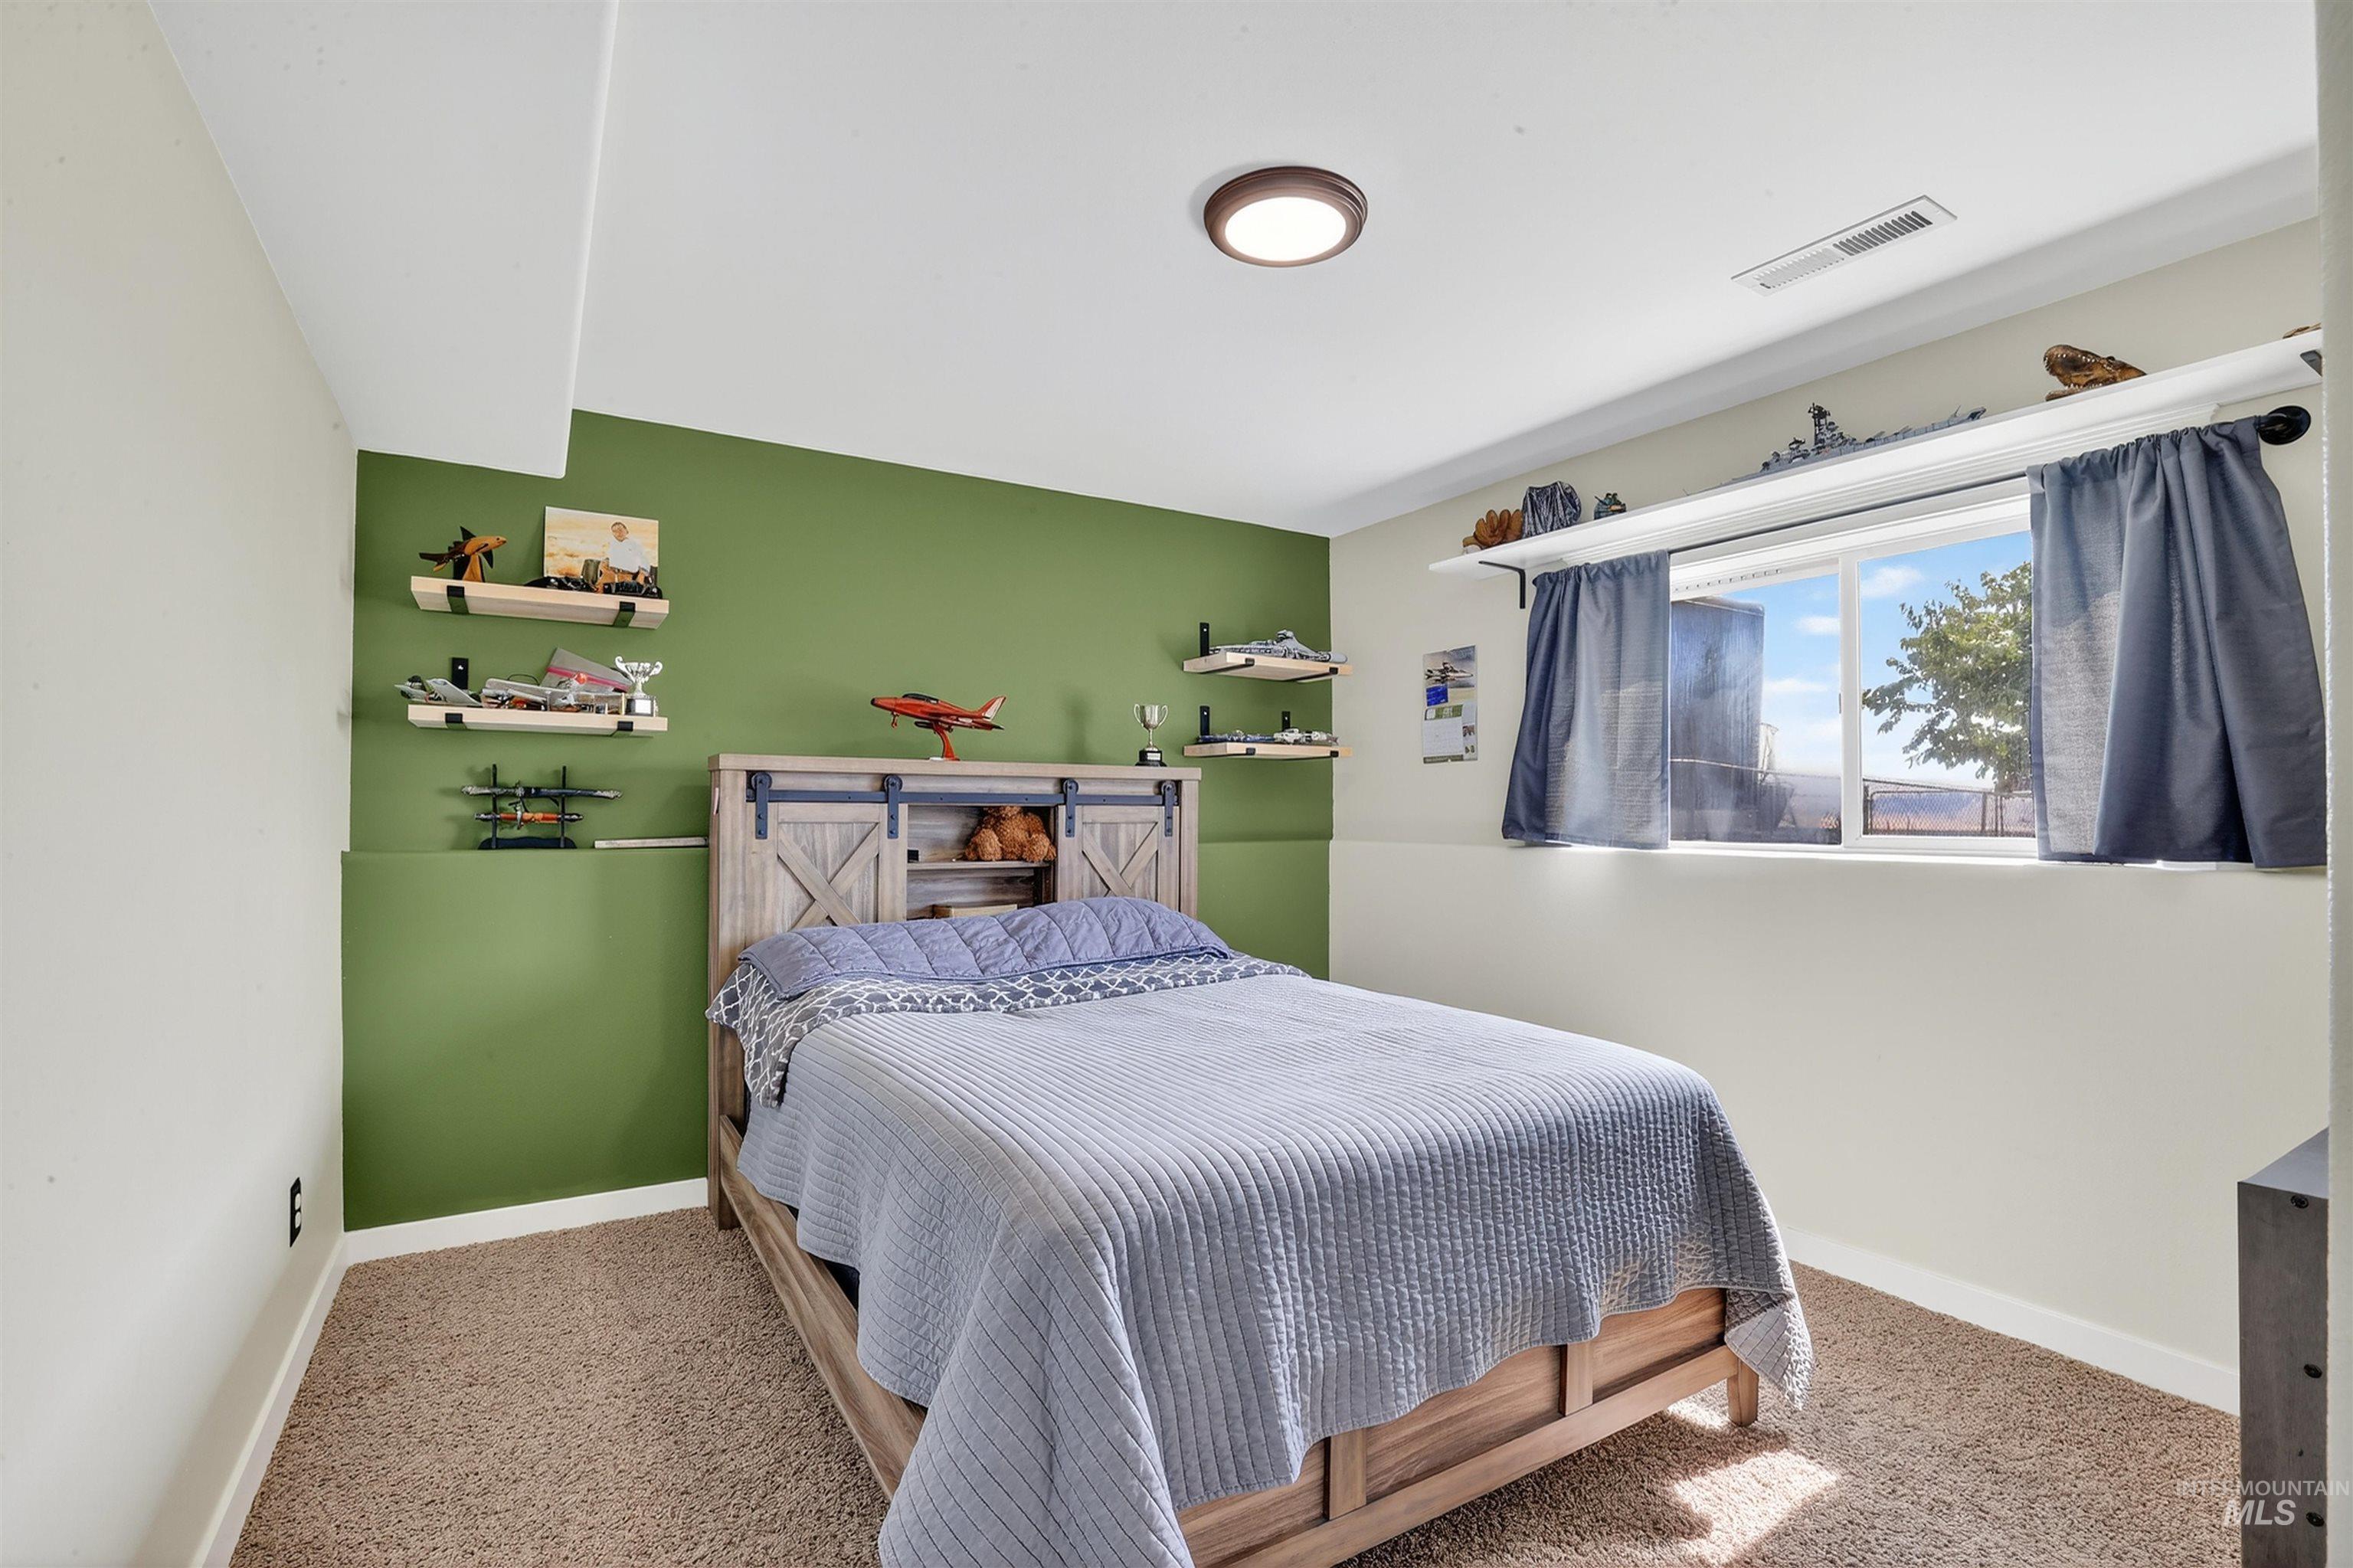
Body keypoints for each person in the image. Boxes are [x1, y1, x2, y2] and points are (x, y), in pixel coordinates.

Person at [603, 519, 653, 588]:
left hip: (628, 577)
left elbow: (643, 560)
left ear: (626, 531)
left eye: (620, 530)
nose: (618, 533)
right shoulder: (612, 545)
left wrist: (642, 574)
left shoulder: (634, 544)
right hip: (612, 575)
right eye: (615, 531)